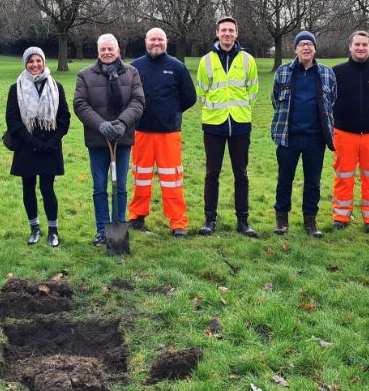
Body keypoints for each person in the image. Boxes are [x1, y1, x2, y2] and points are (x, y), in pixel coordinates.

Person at [73, 33, 144, 246]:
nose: (106, 52)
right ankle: (102, 229)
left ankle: (120, 228)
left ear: (118, 51)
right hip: (97, 139)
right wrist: (101, 125)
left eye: (110, 49)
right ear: (98, 51)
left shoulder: (132, 73)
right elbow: (80, 104)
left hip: (122, 139)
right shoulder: (85, 75)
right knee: (100, 186)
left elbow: (138, 102)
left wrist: (122, 123)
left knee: (120, 185)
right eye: (102, 49)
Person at [128, 28, 197, 237]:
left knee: (172, 180)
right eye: (152, 39)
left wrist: (172, 112)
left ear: (166, 42)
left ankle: (178, 223)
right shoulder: (134, 67)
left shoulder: (177, 67)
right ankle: (137, 216)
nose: (156, 42)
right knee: (140, 177)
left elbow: (190, 97)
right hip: (141, 132)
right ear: (145, 41)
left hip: (169, 133)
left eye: (160, 39)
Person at [195, 16, 259, 237]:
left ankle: (243, 221)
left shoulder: (247, 60)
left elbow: (253, 90)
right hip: (214, 124)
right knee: (212, 173)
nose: (227, 34)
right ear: (217, 32)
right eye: (224, 30)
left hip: (240, 124)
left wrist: (240, 112)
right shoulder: (206, 61)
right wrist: (216, 111)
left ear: (237, 33)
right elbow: (201, 91)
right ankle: (209, 219)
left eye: (231, 30)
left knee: (240, 173)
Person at [270, 31, 336, 238]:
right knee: (284, 180)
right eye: (302, 44)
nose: (306, 48)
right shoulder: (283, 72)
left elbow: (332, 101)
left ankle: (310, 220)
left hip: (316, 139)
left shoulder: (326, 73)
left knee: (313, 182)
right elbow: (275, 100)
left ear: (315, 48)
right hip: (288, 137)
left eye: (310, 44)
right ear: (295, 49)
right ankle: (282, 220)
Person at [6, 47, 70, 247]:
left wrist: (53, 141)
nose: (35, 65)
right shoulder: (15, 88)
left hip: (50, 147)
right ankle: (34, 228)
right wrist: (33, 142)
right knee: (28, 187)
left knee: (47, 188)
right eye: (30, 61)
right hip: (26, 146)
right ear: (25, 64)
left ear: (43, 62)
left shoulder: (56, 87)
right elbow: (13, 121)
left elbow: (64, 118)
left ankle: (53, 230)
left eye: (38, 61)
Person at [331, 31, 369, 233]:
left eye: (364, 45)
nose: (361, 48)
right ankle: (341, 216)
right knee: (343, 176)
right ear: (350, 47)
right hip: (344, 134)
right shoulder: (337, 72)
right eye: (357, 44)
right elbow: (329, 100)